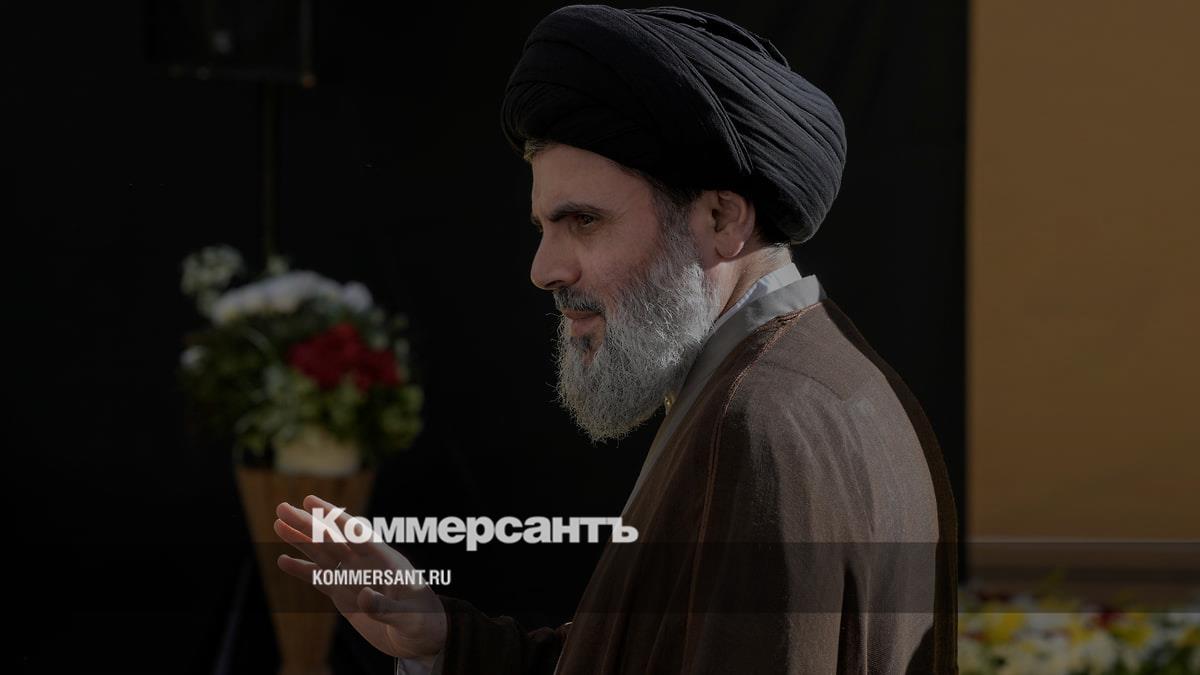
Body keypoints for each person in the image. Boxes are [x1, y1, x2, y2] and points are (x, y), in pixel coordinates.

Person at [273, 5, 958, 673]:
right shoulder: (821, 377)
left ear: (722, 219)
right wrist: (443, 640)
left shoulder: (760, 424)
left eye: (584, 221)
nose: (545, 269)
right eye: (544, 227)